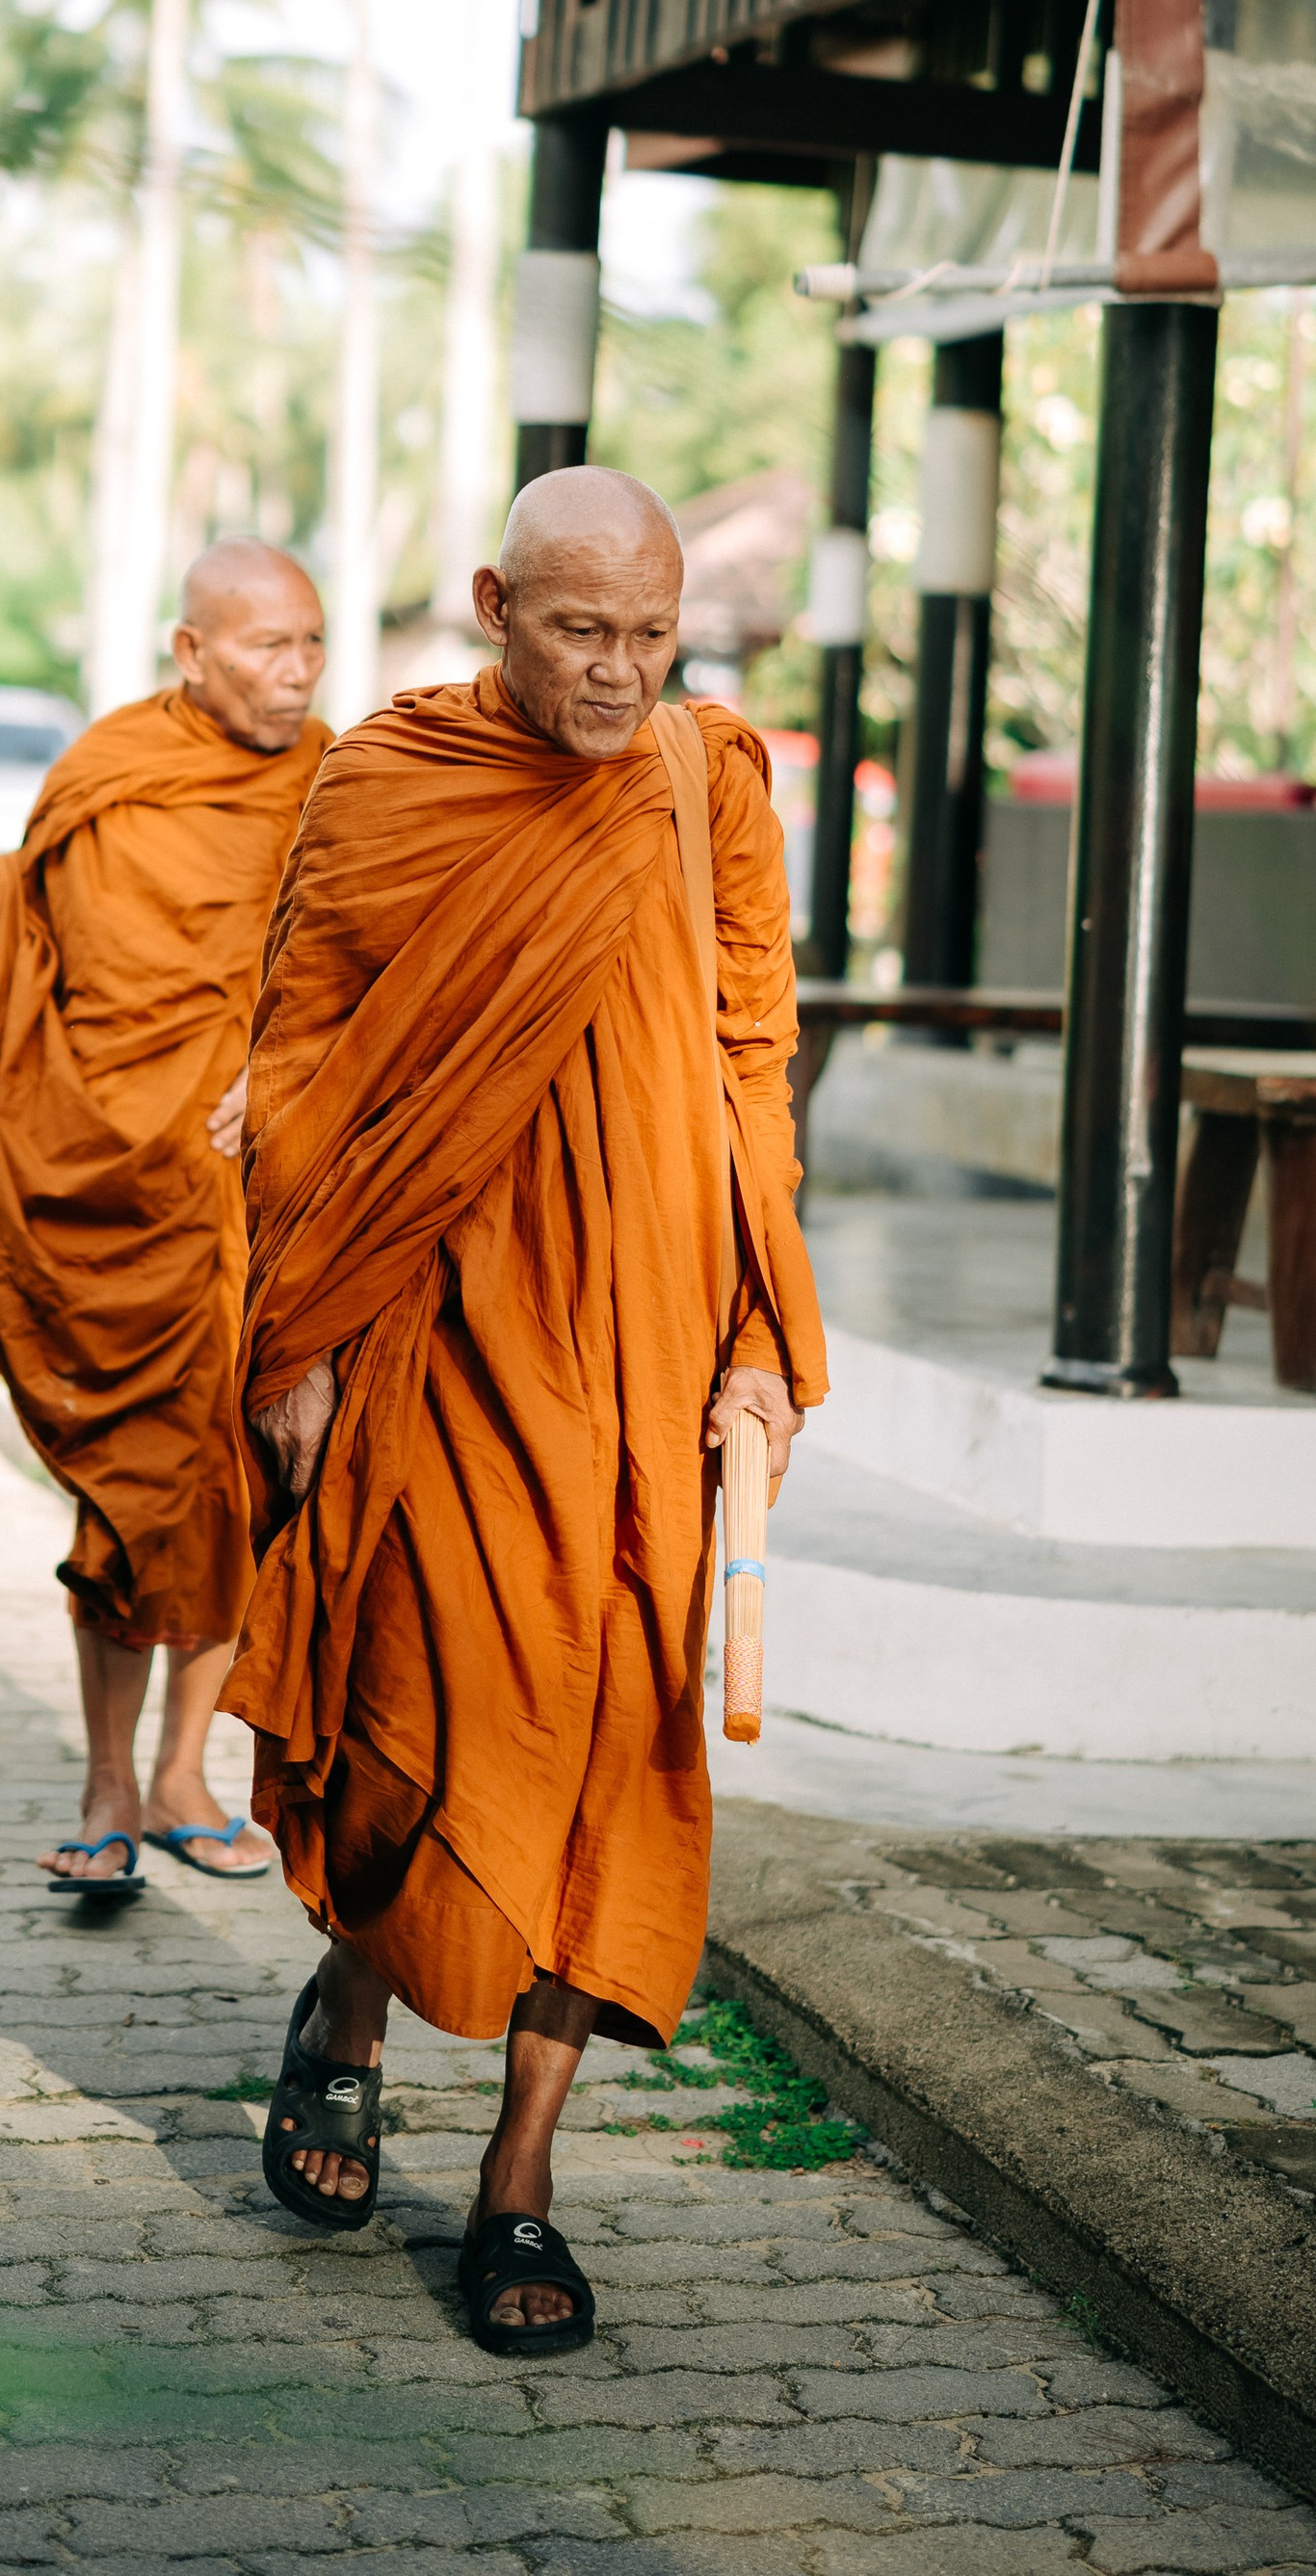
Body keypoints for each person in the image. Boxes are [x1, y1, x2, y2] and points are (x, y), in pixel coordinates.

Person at [226, 465, 827, 2354]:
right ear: (493, 601)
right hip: (440, 1327)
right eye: (581, 630)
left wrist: (755, 1329)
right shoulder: (386, 783)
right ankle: (347, 2006)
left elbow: (748, 1049)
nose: (619, 670)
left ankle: (517, 2182)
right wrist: (300, 1339)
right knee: (412, 1735)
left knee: (605, 1758)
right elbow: (298, 1046)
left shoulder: (702, 780)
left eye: (650, 635)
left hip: (648, 1348)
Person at [0, 542, 329, 1898]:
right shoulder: (106, 775)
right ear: (190, 650)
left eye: (312, 648)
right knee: (125, 1496)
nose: (295, 675)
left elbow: (351, 979)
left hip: (243, 1205)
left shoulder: (328, 787)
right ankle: (108, 1782)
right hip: (109, 1195)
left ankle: (183, 1779)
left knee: (241, 1489)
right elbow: (23, 958)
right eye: (268, 647)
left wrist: (273, 1082)